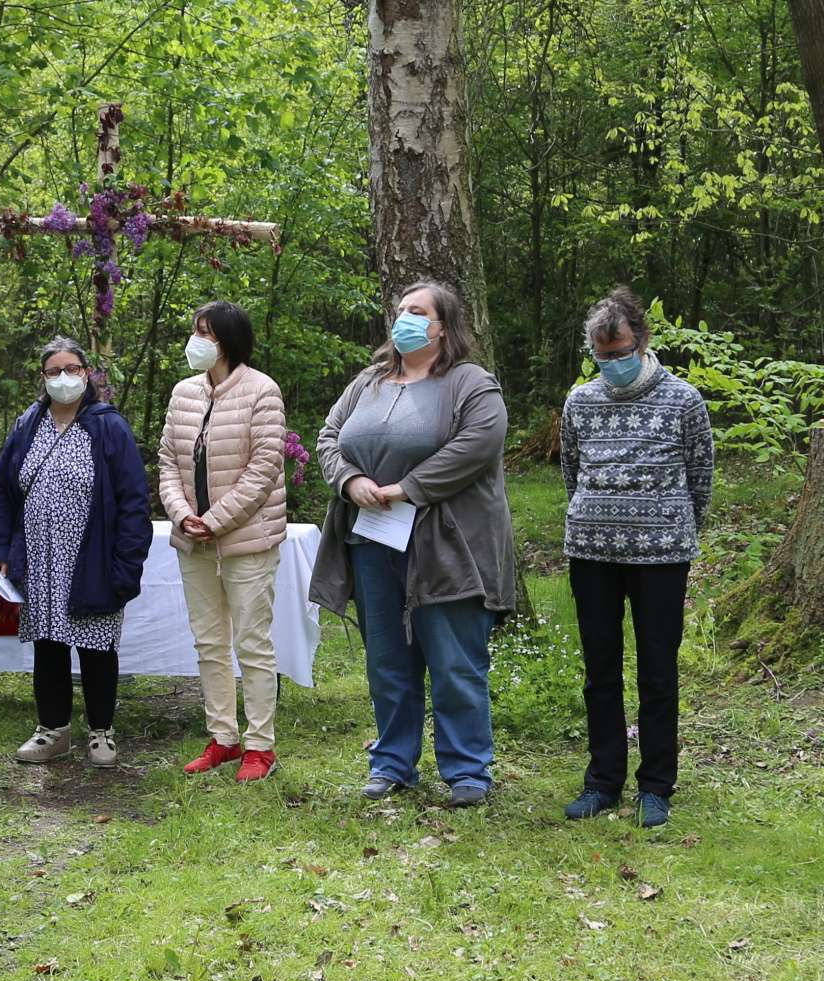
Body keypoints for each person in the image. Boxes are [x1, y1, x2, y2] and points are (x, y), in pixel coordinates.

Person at [309, 280, 516, 804]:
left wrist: (408, 488)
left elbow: (480, 442)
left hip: (448, 545)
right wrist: (351, 482)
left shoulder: (471, 382)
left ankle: (468, 771)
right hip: (373, 540)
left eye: (417, 311)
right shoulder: (369, 382)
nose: (404, 318)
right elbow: (328, 438)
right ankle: (393, 763)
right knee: (387, 659)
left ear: (443, 325)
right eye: (401, 310)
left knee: (453, 658)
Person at [559, 287, 714, 828]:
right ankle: (602, 781)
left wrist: (668, 523)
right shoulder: (580, 401)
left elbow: (701, 477)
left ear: (641, 341)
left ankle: (656, 786)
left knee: (657, 670)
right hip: (592, 553)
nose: (612, 362)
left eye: (620, 350)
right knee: (600, 669)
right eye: (602, 355)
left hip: (663, 556)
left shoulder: (683, 400)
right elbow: (571, 473)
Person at [0, 336, 150, 767]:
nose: (63, 377)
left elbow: (134, 501)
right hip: (38, 559)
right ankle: (52, 730)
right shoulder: (28, 425)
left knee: (96, 647)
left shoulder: (108, 426)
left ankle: (101, 733)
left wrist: (126, 567)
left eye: (71, 368)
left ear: (87, 372)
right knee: (49, 645)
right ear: (42, 378)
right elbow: (2, 491)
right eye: (53, 370)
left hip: (92, 558)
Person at [157, 302, 287, 782]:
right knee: (209, 642)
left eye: (206, 333)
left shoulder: (262, 392)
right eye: (195, 331)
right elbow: (168, 461)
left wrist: (216, 519)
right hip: (194, 539)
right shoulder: (183, 393)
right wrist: (183, 514)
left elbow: (264, 469)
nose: (197, 340)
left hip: (247, 540)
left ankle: (260, 747)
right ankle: (223, 739)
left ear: (228, 340)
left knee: (253, 643)